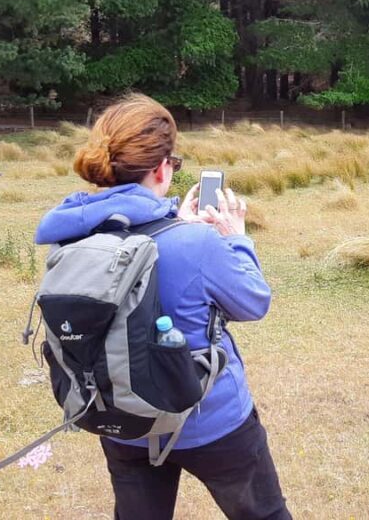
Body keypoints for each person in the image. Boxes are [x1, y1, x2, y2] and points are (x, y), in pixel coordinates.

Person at [34, 94, 291, 520]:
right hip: (211, 421)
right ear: (161, 167)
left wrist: (173, 222)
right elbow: (253, 301)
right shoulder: (197, 242)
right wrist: (235, 238)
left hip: (122, 419)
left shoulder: (71, 237)